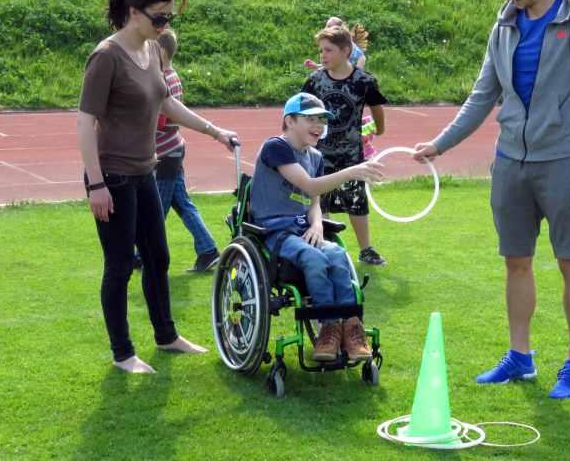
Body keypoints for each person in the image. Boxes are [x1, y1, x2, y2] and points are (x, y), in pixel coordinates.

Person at [413, 0, 570, 398]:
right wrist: (440, 144)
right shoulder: (503, 27)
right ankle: (520, 358)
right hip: (510, 163)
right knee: (516, 263)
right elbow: (482, 96)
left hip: (563, 162)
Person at [77, 0, 238, 374]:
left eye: (168, 17)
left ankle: (166, 337)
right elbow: (84, 123)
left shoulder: (150, 50)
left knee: (158, 257)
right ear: (133, 12)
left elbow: (166, 102)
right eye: (159, 17)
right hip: (112, 176)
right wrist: (96, 184)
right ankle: (123, 353)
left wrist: (214, 131)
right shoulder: (106, 56)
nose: (164, 25)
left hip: (145, 169)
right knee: (118, 266)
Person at [250, 92, 384, 361]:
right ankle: (328, 328)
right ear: (289, 120)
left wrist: (317, 225)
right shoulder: (276, 147)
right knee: (313, 257)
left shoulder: (314, 156)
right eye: (311, 118)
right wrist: (352, 171)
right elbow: (309, 185)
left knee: (336, 254)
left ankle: (351, 327)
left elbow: (314, 199)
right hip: (275, 230)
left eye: (323, 119)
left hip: (304, 229)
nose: (319, 125)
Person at [302, 25, 388, 265]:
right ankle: (325, 246)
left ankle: (366, 249)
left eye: (328, 50)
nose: (323, 56)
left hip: (351, 156)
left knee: (357, 203)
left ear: (345, 51)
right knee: (320, 201)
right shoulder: (315, 81)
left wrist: (380, 130)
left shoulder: (363, 81)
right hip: (320, 156)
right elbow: (301, 111)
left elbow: (377, 107)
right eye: (321, 51)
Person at [137, 28, 220, 273]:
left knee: (155, 209)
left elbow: (163, 121)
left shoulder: (164, 80)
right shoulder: (172, 76)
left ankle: (143, 253)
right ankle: (207, 250)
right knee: (182, 203)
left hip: (165, 155)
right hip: (172, 151)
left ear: (160, 50)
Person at [304, 16, 368, 70]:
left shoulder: (345, 44)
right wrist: (316, 66)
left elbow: (362, 57)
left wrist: (357, 73)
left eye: (329, 26)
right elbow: (332, 62)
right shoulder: (329, 44)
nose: (326, 29)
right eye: (326, 26)